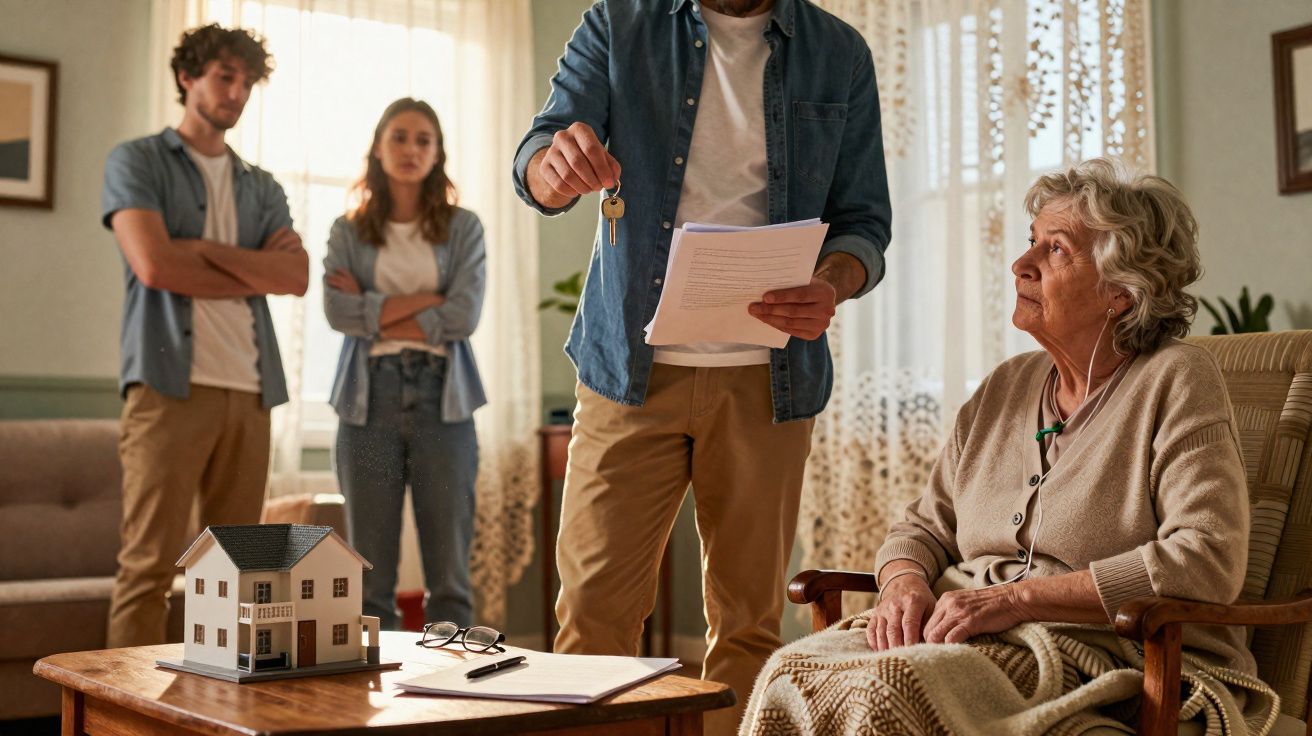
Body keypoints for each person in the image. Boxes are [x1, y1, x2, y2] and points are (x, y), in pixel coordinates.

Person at [741, 159, 1278, 735]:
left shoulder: (1176, 379)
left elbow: (1206, 559)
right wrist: (902, 584)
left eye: (1056, 250)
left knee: (889, 691)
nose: (1020, 264)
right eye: (1031, 243)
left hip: (1104, 656)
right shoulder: (1007, 385)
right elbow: (922, 530)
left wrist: (1015, 600)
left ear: (1121, 291)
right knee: (788, 670)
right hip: (963, 638)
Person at [512, 1, 891, 732]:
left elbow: (864, 221)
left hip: (770, 380)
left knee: (749, 626)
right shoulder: (617, 24)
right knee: (592, 621)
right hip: (627, 369)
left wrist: (833, 281)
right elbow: (538, 151)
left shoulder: (839, 52)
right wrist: (551, 169)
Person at [102, 24, 308, 648]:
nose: (237, 92)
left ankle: (216, 711)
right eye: (225, 76)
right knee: (147, 569)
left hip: (250, 392)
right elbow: (155, 267)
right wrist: (250, 267)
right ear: (188, 78)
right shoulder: (136, 161)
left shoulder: (262, 186)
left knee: (237, 576)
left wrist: (201, 251)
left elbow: (295, 276)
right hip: (168, 388)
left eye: (247, 82)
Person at [323, 98, 487, 630]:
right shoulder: (347, 231)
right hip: (367, 400)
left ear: (438, 153)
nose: (411, 149)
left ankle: (456, 702)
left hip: (445, 400)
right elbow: (337, 312)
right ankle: (380, 706)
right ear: (378, 145)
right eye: (400, 137)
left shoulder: (464, 228)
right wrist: (428, 299)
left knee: (450, 583)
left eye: (423, 140)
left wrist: (372, 312)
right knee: (370, 585)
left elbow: (462, 317)